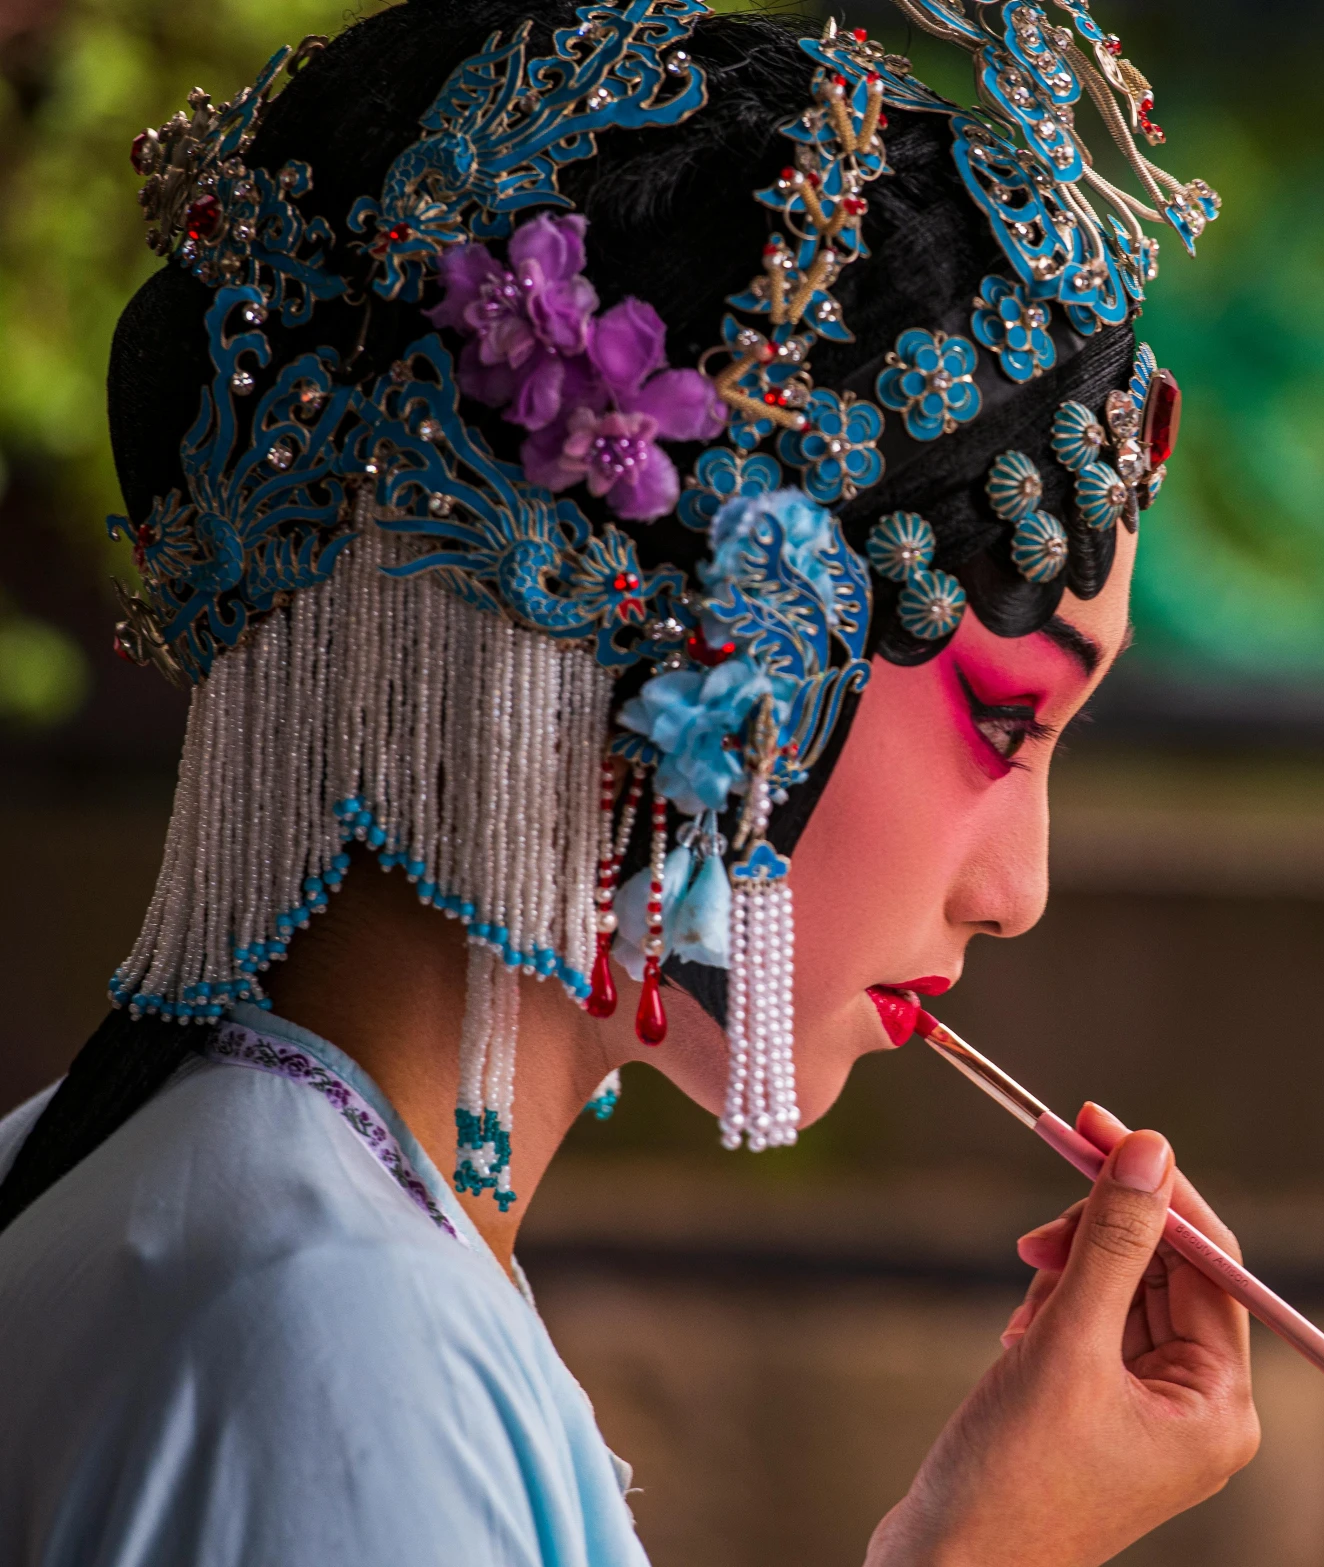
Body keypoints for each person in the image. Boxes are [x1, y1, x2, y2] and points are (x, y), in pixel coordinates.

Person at [0, 3, 1255, 1563]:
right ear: (718, 639)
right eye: (1005, 722)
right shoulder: (338, 1341)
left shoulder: (155, 1180)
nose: (1019, 892)